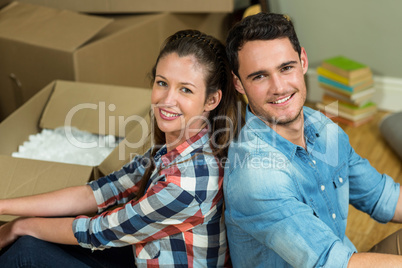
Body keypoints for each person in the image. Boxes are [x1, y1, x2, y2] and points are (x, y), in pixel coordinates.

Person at [0, 29, 245, 267]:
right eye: (162, 83)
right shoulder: (173, 151)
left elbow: (98, 231)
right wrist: (4, 206)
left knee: (27, 251)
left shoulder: (189, 181)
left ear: (212, 100)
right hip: (144, 254)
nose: (167, 100)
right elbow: (99, 192)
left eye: (185, 89)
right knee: (38, 233)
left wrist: (19, 226)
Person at [223, 12, 402, 267]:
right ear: (239, 83)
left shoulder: (323, 128)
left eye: (286, 68)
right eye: (260, 76)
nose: (279, 87)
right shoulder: (257, 176)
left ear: (303, 61)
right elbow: (332, 263)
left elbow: (383, 196)